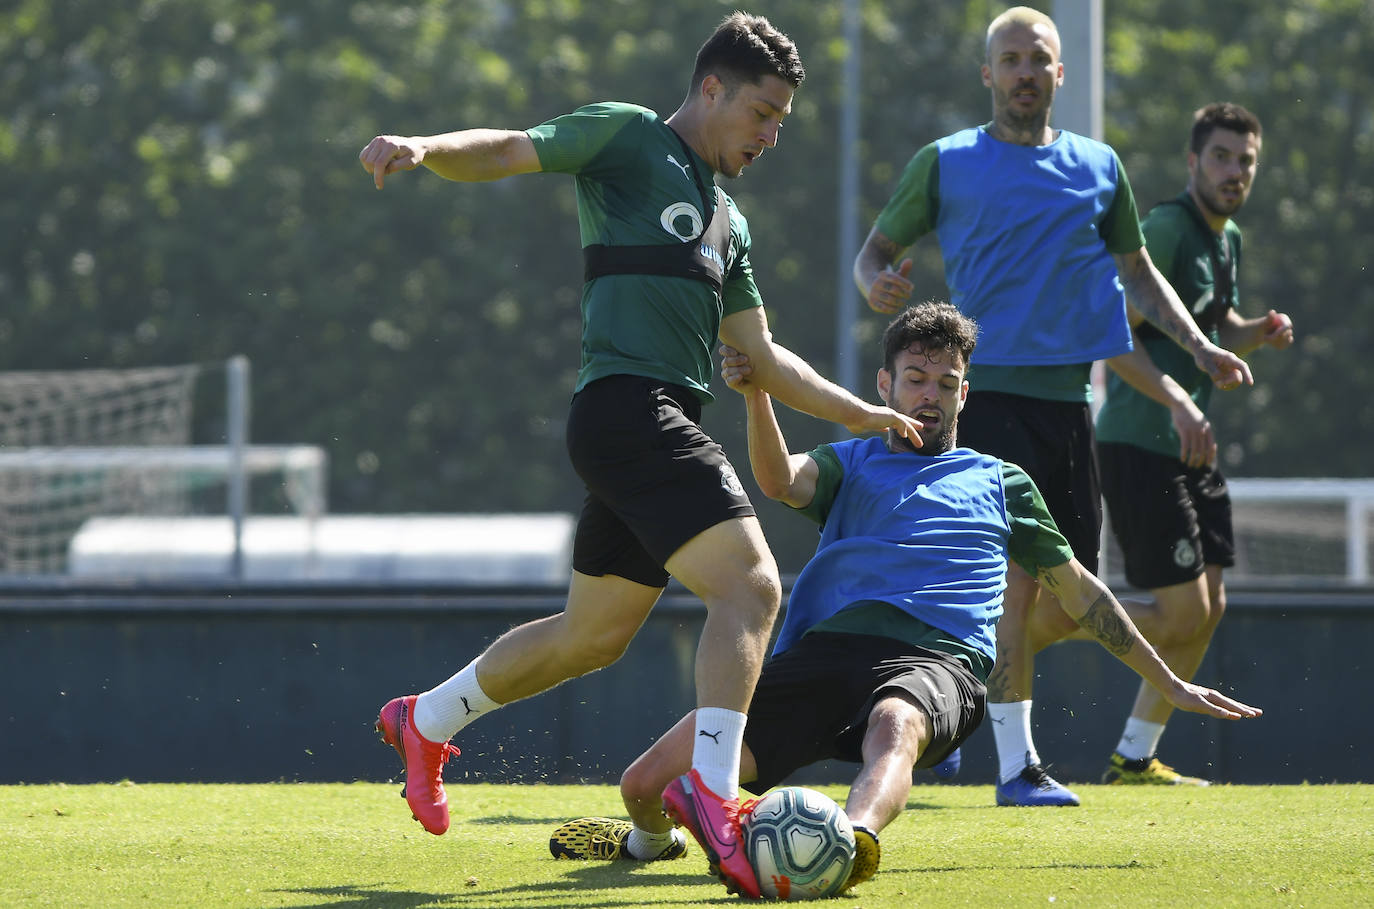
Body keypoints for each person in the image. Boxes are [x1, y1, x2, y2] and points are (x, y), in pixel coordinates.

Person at [357, 12, 922, 900]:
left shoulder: (730, 222)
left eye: (782, 121)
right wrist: (427, 146)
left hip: (644, 423)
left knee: (592, 636)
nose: (772, 135)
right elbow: (509, 148)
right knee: (754, 586)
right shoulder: (627, 136)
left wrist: (866, 414)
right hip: (631, 411)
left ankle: (425, 719)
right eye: (763, 113)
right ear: (711, 89)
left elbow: (767, 359)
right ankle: (713, 792)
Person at [547, 302, 1261, 895]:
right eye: (916, 378)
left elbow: (1080, 590)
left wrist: (1166, 680)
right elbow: (779, 482)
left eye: (946, 382)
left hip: (937, 661)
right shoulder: (854, 456)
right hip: (821, 655)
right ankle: (651, 841)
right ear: (886, 384)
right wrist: (756, 393)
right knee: (643, 781)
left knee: (896, 722)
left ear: (964, 393)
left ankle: (851, 843)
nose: (930, 393)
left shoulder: (1001, 480)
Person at [851, 6, 1255, 806]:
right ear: (988, 74)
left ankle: (946, 683)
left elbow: (1138, 274)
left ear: (1058, 74)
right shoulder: (946, 161)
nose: (1025, 72)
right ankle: (1016, 764)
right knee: (1015, 588)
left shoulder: (1099, 167)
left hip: (1071, 406)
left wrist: (1200, 346)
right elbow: (875, 254)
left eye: (1039, 59)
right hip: (988, 396)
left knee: (1066, 594)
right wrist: (875, 284)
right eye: (1010, 59)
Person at [1031, 103, 1291, 785]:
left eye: (1246, 161)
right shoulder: (1170, 230)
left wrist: (1253, 330)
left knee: (1210, 608)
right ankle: (1059, 614)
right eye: (1222, 157)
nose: (1235, 171)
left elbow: (1209, 325)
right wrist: (1177, 402)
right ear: (1193, 161)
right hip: (1139, 441)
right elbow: (1112, 339)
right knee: (1182, 610)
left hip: (1190, 445)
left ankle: (1134, 757)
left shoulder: (1225, 239)